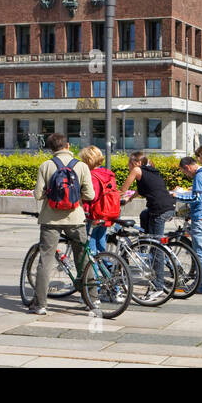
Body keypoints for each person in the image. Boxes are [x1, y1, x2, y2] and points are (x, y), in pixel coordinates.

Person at [28, 134, 96, 315]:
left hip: (50, 219)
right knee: (84, 258)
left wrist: (52, 194)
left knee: (45, 261)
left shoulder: (46, 166)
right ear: (67, 145)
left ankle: (41, 304)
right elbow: (90, 195)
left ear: (51, 148)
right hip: (76, 219)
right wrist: (73, 198)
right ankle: (92, 299)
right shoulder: (81, 166)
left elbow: (37, 195)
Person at [174, 155, 202, 294]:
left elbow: (197, 198)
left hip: (201, 218)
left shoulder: (199, 176)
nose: (186, 174)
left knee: (200, 252)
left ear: (187, 167)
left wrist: (177, 196)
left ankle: (199, 284)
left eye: (184, 172)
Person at [119, 151, 176, 239]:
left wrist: (108, 197)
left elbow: (122, 190)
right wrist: (129, 199)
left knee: (157, 243)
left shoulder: (137, 169)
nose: (128, 165)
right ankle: (144, 245)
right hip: (168, 206)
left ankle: (152, 247)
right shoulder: (150, 171)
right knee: (144, 215)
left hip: (160, 210)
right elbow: (140, 190)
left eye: (129, 162)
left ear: (138, 163)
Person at [79, 145, 118, 254]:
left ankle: (92, 270)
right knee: (101, 244)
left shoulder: (91, 176)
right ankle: (108, 268)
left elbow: (92, 196)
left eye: (83, 160)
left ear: (88, 161)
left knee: (90, 248)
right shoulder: (108, 173)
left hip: (93, 214)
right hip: (107, 213)